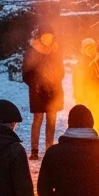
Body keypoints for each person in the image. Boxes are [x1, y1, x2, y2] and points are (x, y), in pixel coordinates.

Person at [21, 25, 65, 160]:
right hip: (38, 92)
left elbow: (61, 71)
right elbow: (26, 72)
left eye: (50, 36)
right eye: (45, 36)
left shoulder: (55, 51)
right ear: (40, 37)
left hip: (53, 90)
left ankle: (49, 148)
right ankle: (34, 150)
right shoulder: (33, 51)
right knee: (38, 120)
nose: (48, 39)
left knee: (51, 120)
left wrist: (53, 81)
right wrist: (37, 84)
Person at [72, 38, 99, 141]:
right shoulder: (81, 64)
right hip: (90, 97)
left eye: (92, 47)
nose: (90, 50)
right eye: (87, 47)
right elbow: (77, 82)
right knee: (94, 120)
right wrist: (79, 98)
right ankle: (95, 141)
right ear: (83, 50)